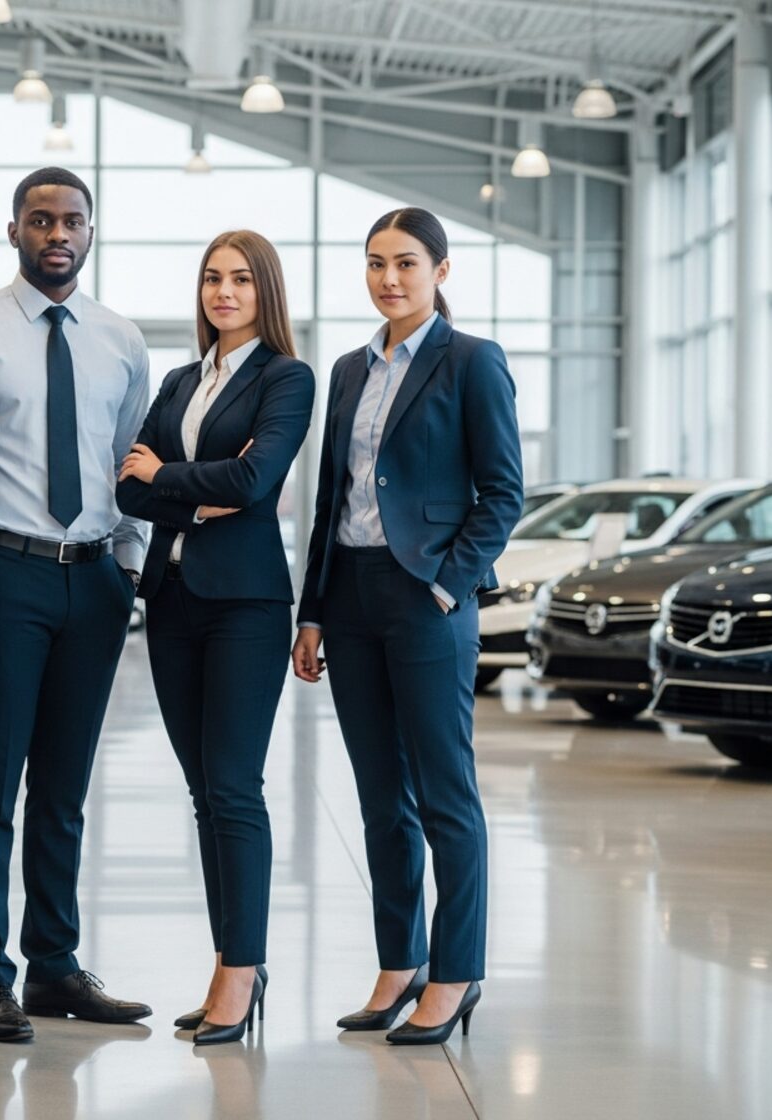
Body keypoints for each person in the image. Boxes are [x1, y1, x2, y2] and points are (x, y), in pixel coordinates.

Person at [291, 207, 523, 1045]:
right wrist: (312, 609)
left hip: (426, 597)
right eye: (376, 263)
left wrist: (448, 585)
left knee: (444, 795)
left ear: (441, 271)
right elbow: (330, 501)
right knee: (381, 797)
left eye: (407, 264)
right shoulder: (351, 369)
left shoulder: (472, 362)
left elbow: (503, 493)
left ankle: (455, 973)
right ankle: (401, 961)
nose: (390, 279)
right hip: (349, 598)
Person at [0, 167, 153, 1042]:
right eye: (40, 220)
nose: (56, 233)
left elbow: (132, 457)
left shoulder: (120, 339)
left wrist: (128, 570)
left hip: (94, 579)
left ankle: (54, 966)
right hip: (6, 575)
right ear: (15, 230)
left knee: (63, 787)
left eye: (71, 221)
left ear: (91, 233)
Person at [115, 230, 313, 1046]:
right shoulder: (179, 381)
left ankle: (241, 971)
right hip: (172, 600)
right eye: (211, 279)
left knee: (234, 787)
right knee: (204, 796)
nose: (223, 292)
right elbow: (127, 491)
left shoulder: (287, 379)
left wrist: (166, 479)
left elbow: (257, 480)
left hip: (246, 607)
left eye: (239, 279)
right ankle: (233, 959)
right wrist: (191, 493)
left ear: (264, 289)